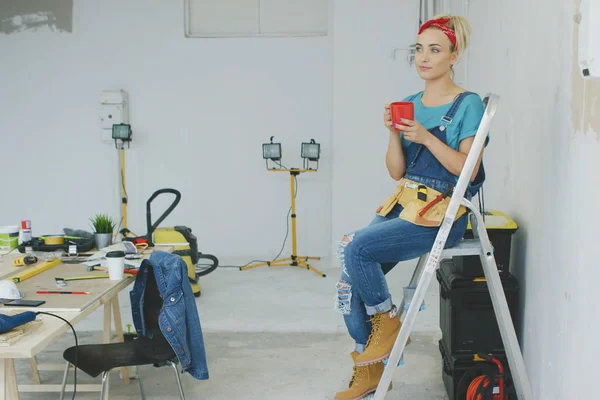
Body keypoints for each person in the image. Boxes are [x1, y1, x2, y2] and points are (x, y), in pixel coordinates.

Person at [333, 14, 487, 400]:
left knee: (357, 248)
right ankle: (370, 369)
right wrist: (392, 134)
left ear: (455, 55)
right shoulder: (409, 103)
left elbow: (467, 171)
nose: (424, 57)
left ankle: (387, 323)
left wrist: (425, 136)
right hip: (405, 203)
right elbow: (396, 171)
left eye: (435, 50)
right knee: (349, 280)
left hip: (443, 211)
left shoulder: (467, 105)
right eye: (419, 49)